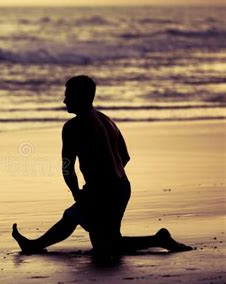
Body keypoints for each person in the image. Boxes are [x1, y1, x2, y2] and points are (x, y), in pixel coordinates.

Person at [12, 75, 192, 257]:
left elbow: (67, 167)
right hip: (122, 187)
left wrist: (80, 193)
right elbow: (125, 157)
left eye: (68, 95)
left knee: (79, 221)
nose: (64, 100)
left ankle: (33, 246)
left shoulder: (72, 127)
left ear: (81, 96)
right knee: (106, 242)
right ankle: (158, 239)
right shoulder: (107, 121)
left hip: (103, 190)